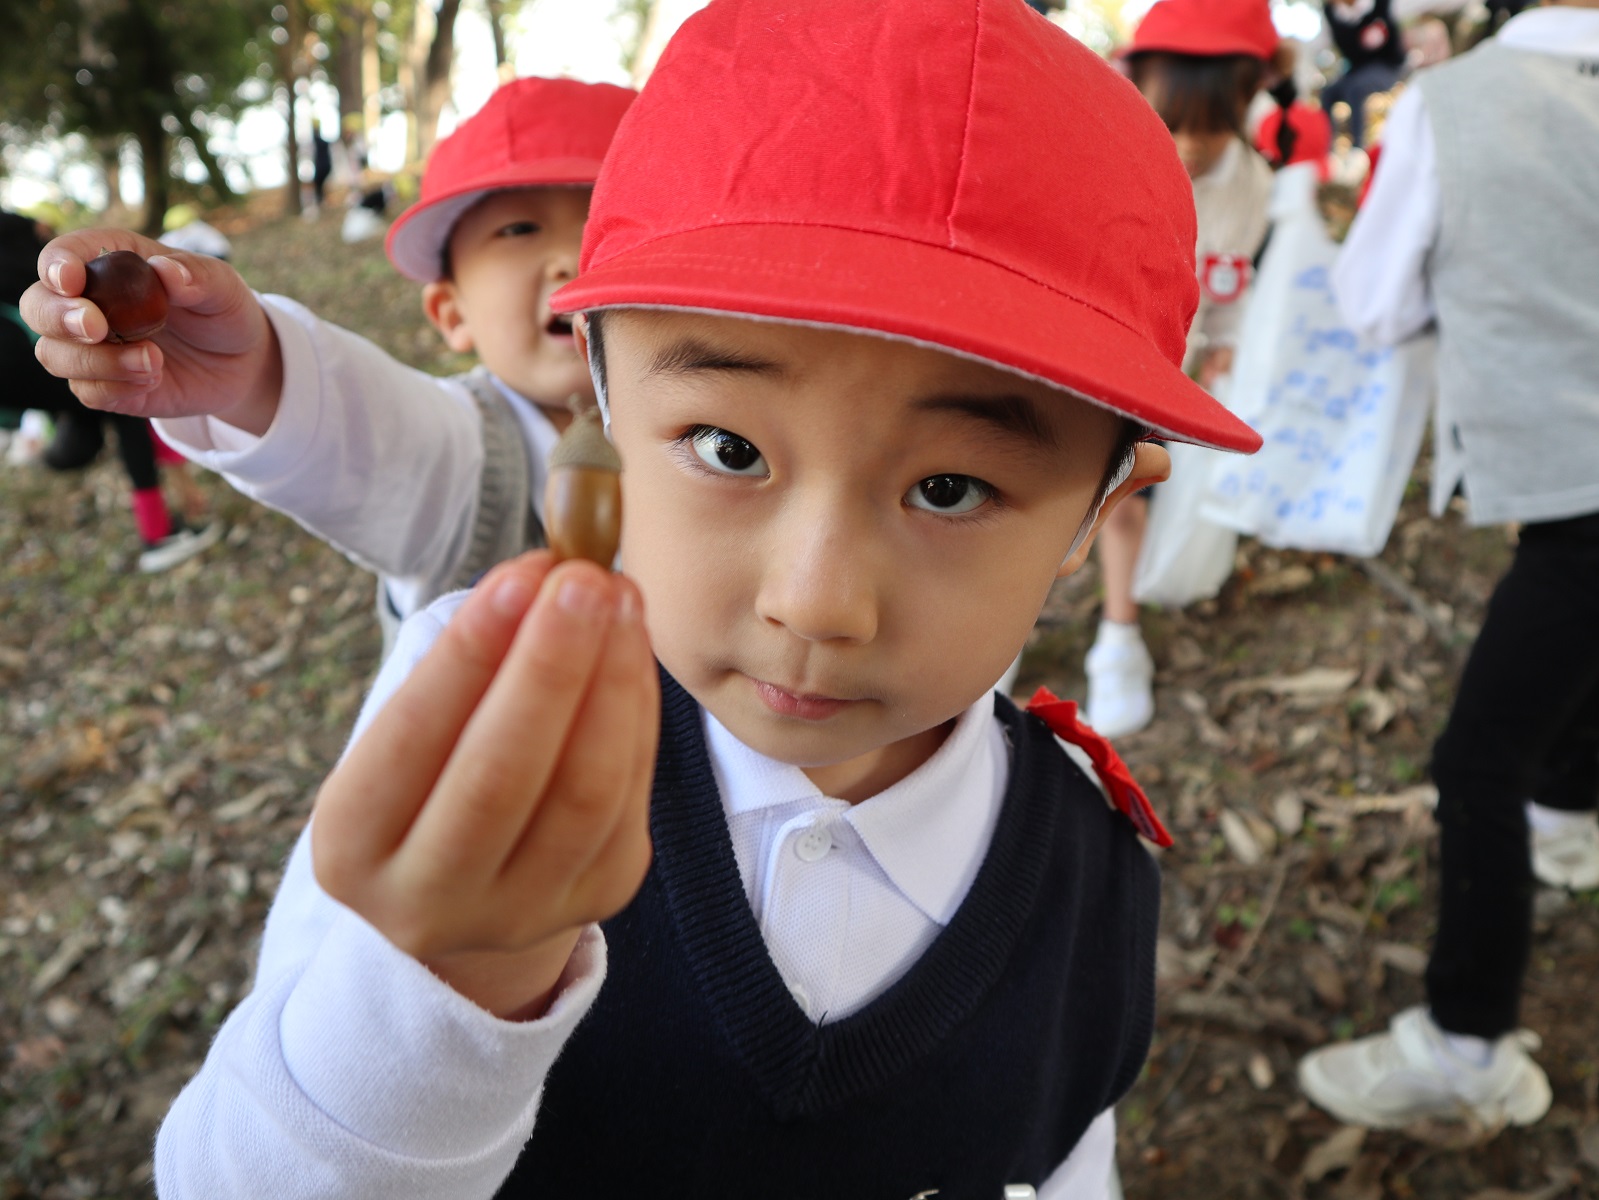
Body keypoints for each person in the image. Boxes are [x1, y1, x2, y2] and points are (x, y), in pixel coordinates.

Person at [36, 1, 1263, 1193]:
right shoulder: (488, 733)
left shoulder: (1094, 868)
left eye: (950, 487)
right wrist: (448, 983)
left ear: (1099, 509)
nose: (818, 601)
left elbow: (1062, 1148)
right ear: (603, 407)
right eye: (729, 450)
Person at [24, 77, 635, 654]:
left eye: (604, 221)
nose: (570, 257)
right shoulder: (466, 455)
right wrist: (255, 371)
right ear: (451, 313)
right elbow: (367, 433)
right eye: (521, 228)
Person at [1297, 0, 1599, 1129]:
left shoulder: (1454, 106)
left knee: (1477, 762)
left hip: (1578, 475)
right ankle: (1570, 821)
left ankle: (1469, 1046)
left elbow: (1376, 301)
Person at [1084, 0, 1279, 738]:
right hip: (1095, 351)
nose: (1191, 145)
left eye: (1211, 125)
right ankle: (998, 637)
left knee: (1131, 486)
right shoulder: (1105, 152)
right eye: (1175, 123)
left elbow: (1232, 281)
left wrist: (1225, 339)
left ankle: (1119, 631)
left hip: (1172, 368)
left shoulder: (1250, 187)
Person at [0, 210, 219, 571]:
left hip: (18, 373)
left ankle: (60, 453)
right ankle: (157, 534)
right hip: (16, 363)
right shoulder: (23, 242)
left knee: (99, 404)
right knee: (123, 402)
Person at [1322, 0, 1409, 145]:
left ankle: (1359, 147)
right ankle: (1327, 148)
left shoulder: (1380, 4)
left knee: (1356, 89)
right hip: (1358, 69)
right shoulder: (1333, 13)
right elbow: (1348, 50)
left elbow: (1392, 39)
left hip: (1387, 65)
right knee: (1328, 93)